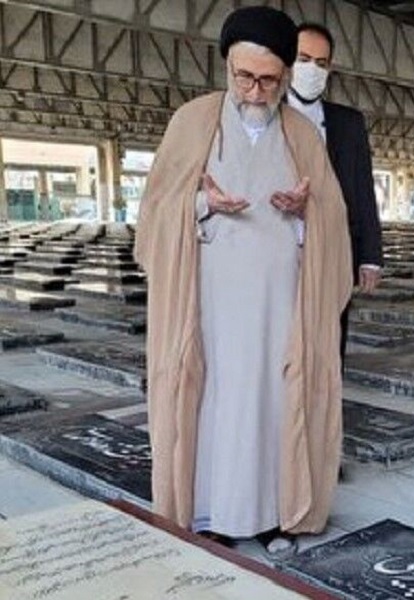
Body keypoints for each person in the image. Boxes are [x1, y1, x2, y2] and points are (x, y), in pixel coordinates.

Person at [134, 6, 352, 551]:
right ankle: (212, 514)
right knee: (216, 403)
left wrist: (305, 212)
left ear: (285, 76)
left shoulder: (302, 134)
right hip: (209, 303)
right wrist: (201, 203)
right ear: (228, 66)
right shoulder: (192, 121)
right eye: (244, 77)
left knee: (276, 404)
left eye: (269, 80)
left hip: (281, 306)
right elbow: (155, 214)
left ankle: (277, 514)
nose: (255, 91)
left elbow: (334, 219)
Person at [287, 22, 383, 363]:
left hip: (333, 252)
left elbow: (363, 188)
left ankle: (328, 396)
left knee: (329, 343)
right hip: (279, 252)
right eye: (303, 59)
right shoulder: (267, 114)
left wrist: (370, 255)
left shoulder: (348, 122)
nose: (312, 69)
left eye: (321, 62)